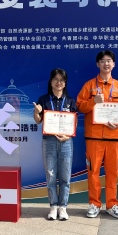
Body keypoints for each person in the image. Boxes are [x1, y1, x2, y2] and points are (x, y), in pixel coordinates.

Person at [76, 50, 118, 219]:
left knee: (112, 172)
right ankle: (94, 204)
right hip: (94, 137)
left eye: (109, 60)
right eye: (103, 61)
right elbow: (80, 106)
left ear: (114, 64)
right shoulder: (89, 85)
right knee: (93, 171)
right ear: (98, 64)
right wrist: (93, 101)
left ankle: (112, 204)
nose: (106, 63)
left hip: (113, 136)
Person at [33, 68, 77, 221]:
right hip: (49, 141)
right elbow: (38, 121)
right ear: (51, 82)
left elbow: (74, 123)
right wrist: (36, 112)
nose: (59, 82)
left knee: (65, 176)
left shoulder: (70, 101)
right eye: (56, 79)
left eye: (62, 80)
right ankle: (53, 206)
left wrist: (67, 136)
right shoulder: (44, 99)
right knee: (51, 175)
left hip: (66, 142)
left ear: (65, 83)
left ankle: (63, 207)